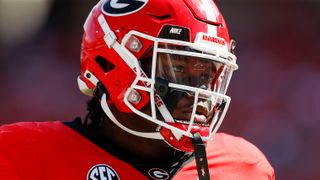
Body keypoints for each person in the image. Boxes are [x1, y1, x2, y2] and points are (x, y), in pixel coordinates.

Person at [0, 0, 274, 179]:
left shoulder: (244, 166)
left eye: (206, 72)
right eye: (177, 68)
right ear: (112, 63)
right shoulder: (19, 156)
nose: (199, 92)